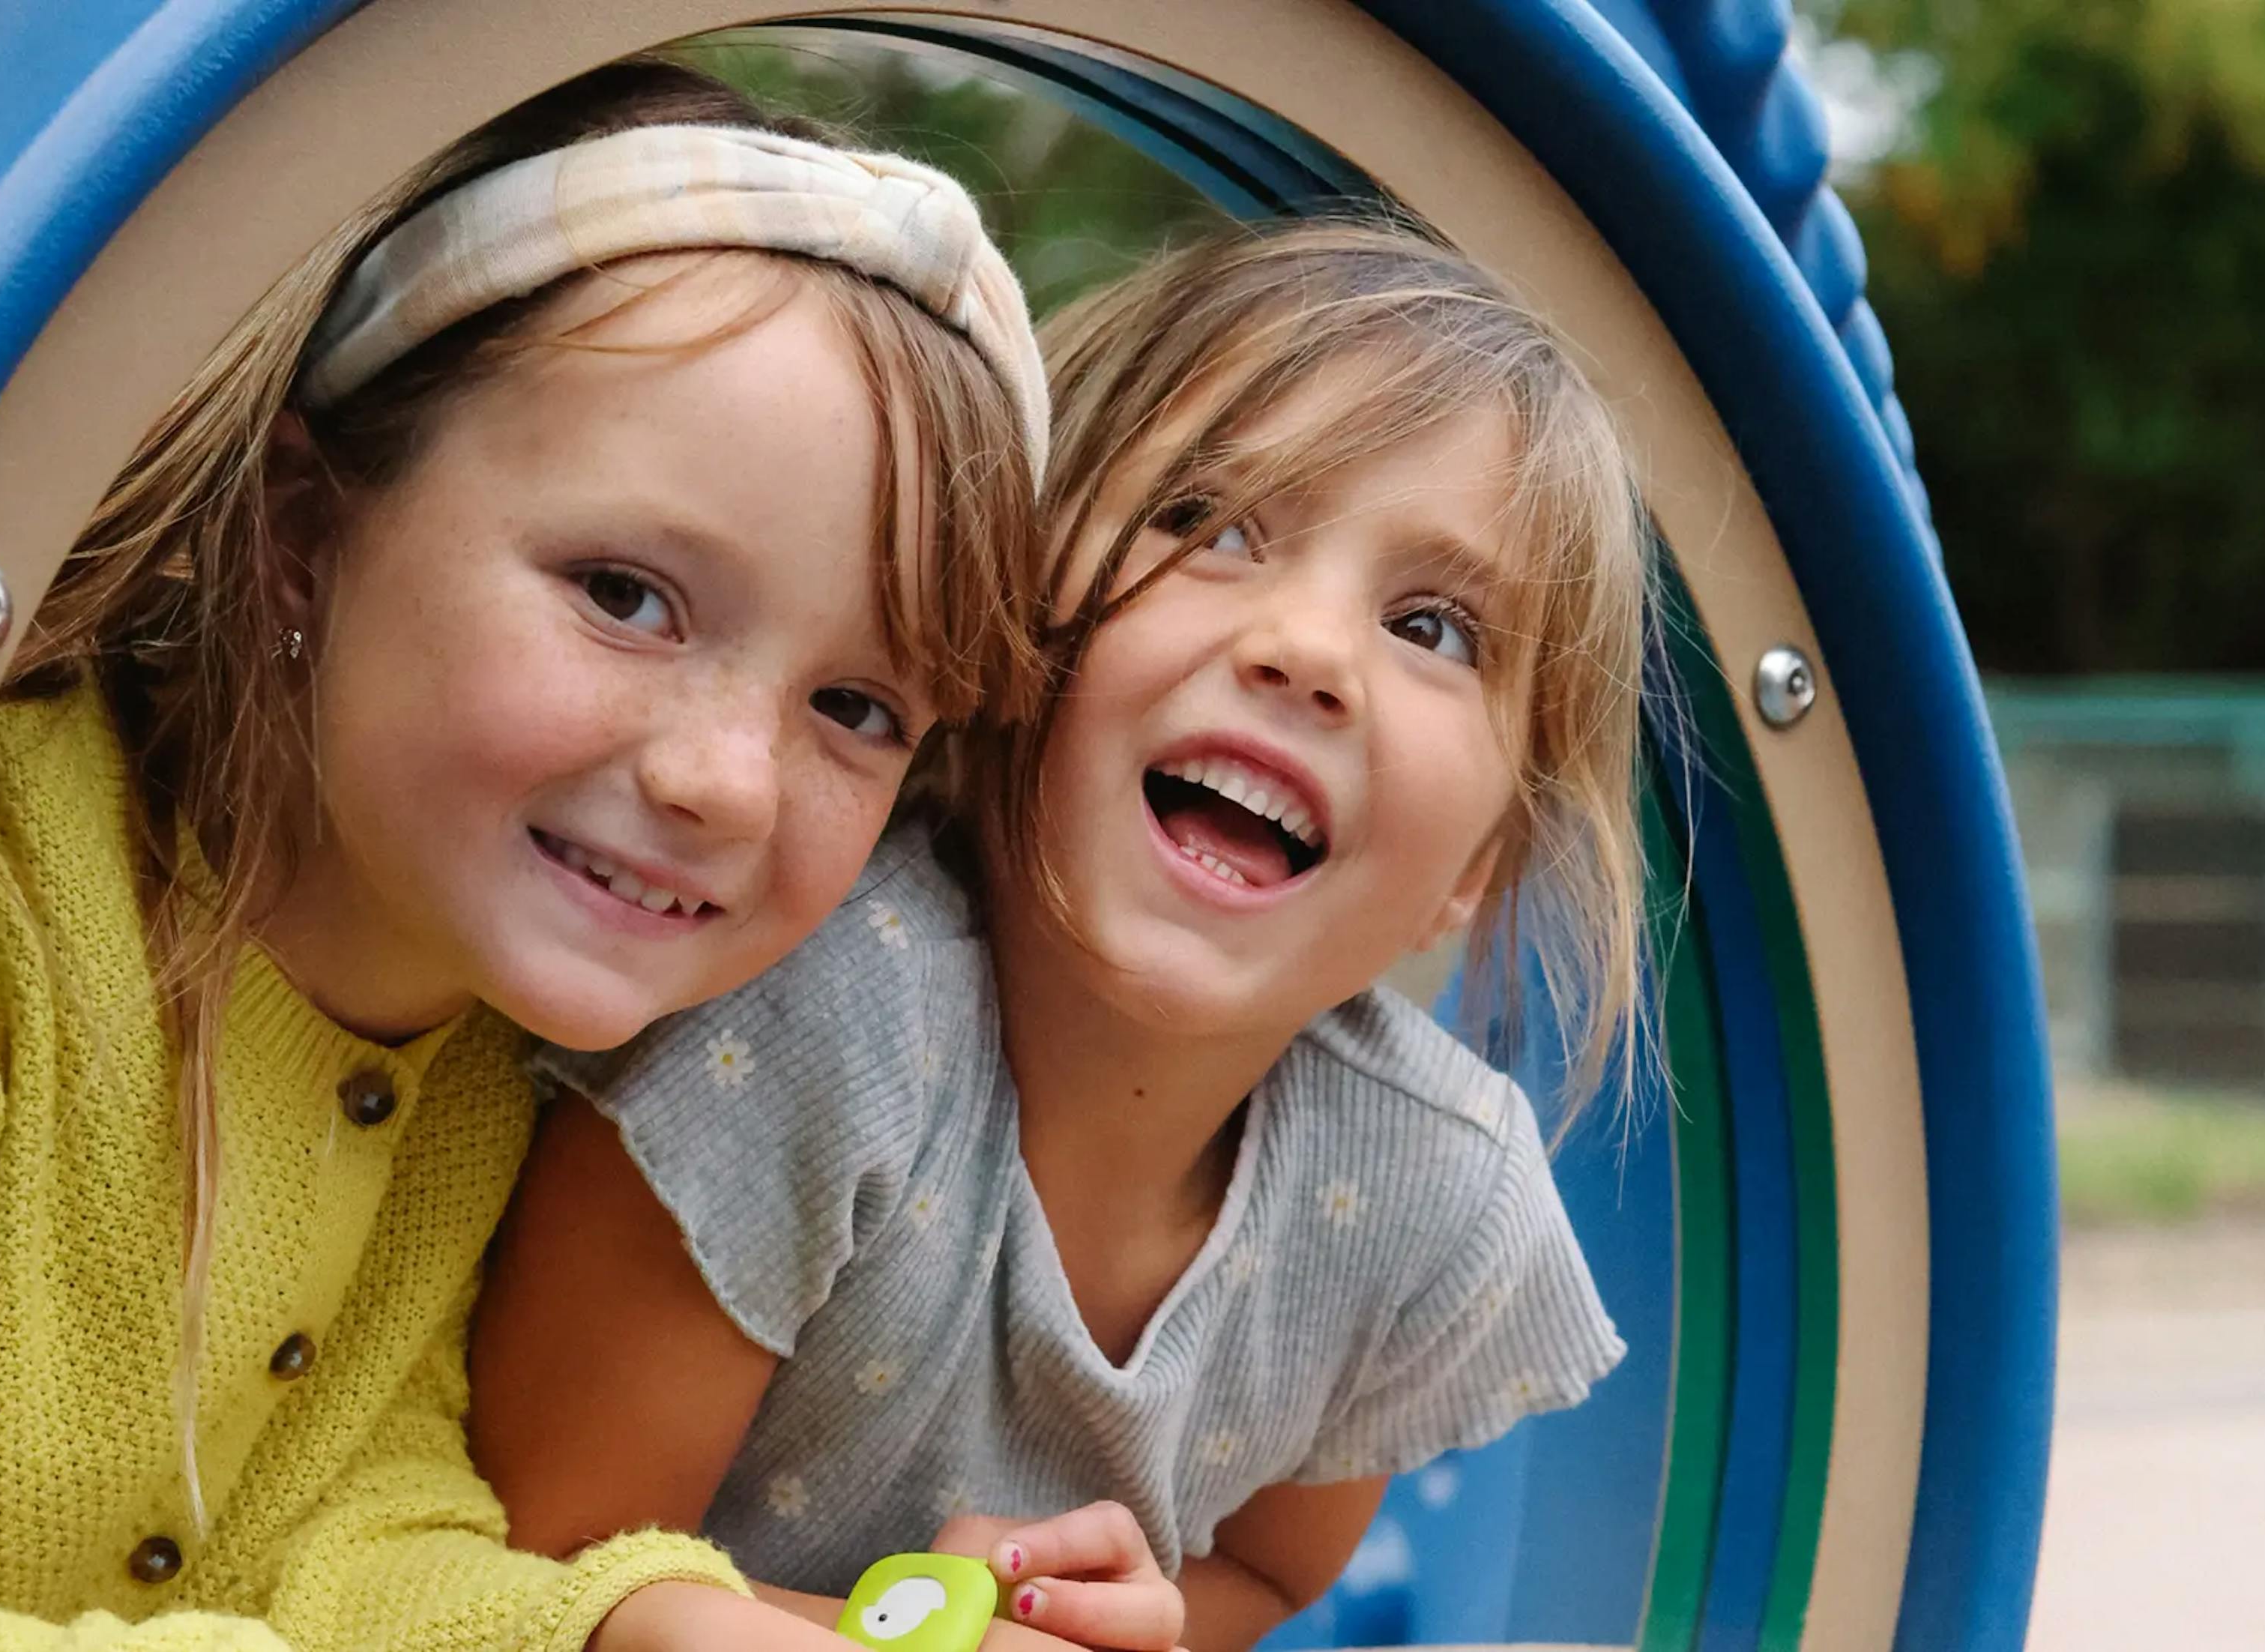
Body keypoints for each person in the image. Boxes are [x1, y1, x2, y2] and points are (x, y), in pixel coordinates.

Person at [0, 59, 1051, 1652]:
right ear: (300, 529)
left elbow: (356, 1517)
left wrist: (657, 1634)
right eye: (626, 594)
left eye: (854, 705)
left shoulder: (487, 1047)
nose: (727, 785)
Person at [472, 217, 1654, 1652]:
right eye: (1211, 528)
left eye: (1436, 627)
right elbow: (535, 1570)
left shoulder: (1421, 1194)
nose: (1311, 651)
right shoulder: (814, 1021)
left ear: (1484, 864)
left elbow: (1272, 1580)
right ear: (1014, 619)